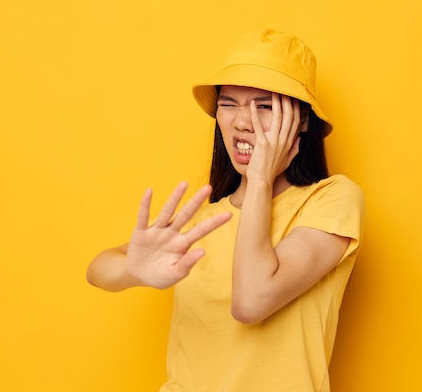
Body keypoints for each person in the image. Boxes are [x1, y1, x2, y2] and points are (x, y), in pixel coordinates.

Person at [86, 29, 365, 392]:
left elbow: (251, 301)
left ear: (302, 121)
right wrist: (131, 269)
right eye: (229, 103)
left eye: (264, 106)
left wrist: (260, 181)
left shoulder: (331, 200)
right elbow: (97, 270)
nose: (242, 122)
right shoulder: (203, 221)